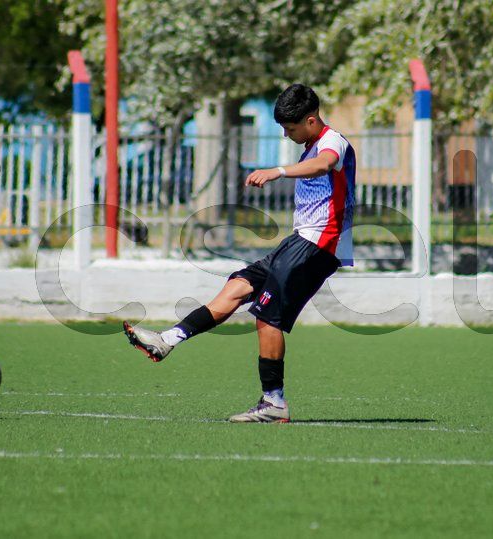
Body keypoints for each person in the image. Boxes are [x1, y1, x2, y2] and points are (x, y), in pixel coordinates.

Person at [123, 84, 356, 423]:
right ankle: (167, 340)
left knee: (268, 316)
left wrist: (277, 171)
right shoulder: (309, 146)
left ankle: (274, 402)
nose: (286, 135)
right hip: (299, 241)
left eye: (290, 129)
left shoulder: (332, 141)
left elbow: (325, 164)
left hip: (320, 244)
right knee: (239, 286)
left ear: (310, 120)